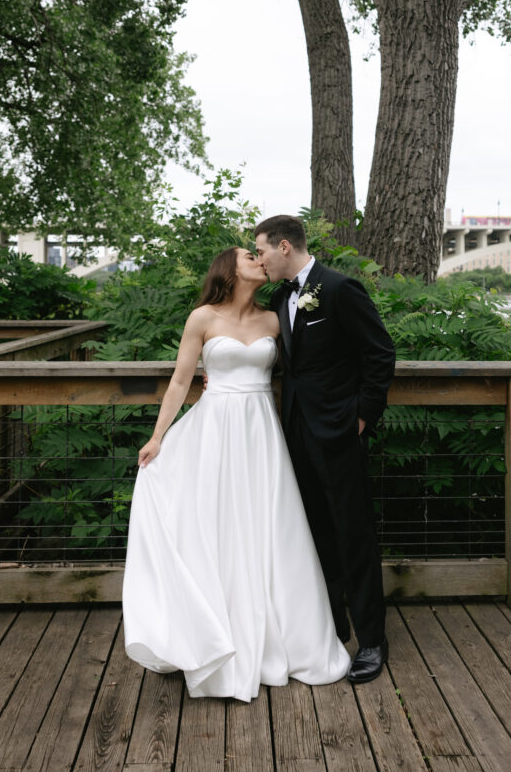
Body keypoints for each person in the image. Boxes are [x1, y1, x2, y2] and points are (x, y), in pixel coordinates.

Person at [122, 246, 350, 702]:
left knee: (270, 528)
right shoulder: (202, 318)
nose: (259, 260)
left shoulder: (275, 318)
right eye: (250, 255)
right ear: (229, 268)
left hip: (261, 433)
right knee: (219, 527)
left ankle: (285, 637)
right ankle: (213, 635)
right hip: (216, 432)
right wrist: (157, 437)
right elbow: (180, 381)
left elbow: (308, 368)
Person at [255, 215, 395, 684]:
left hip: (339, 432)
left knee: (353, 534)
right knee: (314, 533)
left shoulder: (338, 289)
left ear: (285, 247)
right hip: (293, 433)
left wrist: (362, 416)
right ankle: (330, 628)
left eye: (263, 251)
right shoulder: (278, 297)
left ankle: (372, 640)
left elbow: (380, 353)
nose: (260, 260)